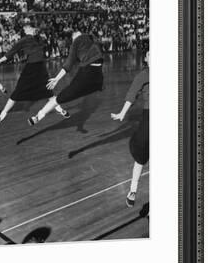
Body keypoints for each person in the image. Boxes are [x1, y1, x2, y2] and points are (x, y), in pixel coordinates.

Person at [0, 22, 68, 127]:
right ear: (26, 29)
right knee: (17, 93)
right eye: (29, 27)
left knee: (48, 91)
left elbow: (44, 40)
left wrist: (40, 34)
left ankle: (60, 109)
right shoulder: (23, 40)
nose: (31, 29)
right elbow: (11, 52)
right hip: (30, 68)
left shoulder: (38, 39)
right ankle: (2, 115)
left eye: (31, 27)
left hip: (41, 68)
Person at [28, 30, 104, 125]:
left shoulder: (78, 41)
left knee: (61, 98)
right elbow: (69, 64)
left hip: (90, 73)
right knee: (63, 97)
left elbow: (68, 65)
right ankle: (38, 116)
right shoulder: (89, 38)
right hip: (95, 74)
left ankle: (38, 116)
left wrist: (56, 79)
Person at [111, 51, 149, 207]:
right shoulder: (143, 75)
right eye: (149, 55)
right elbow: (132, 94)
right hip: (151, 115)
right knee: (141, 151)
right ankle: (133, 189)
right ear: (146, 59)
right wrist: (122, 113)